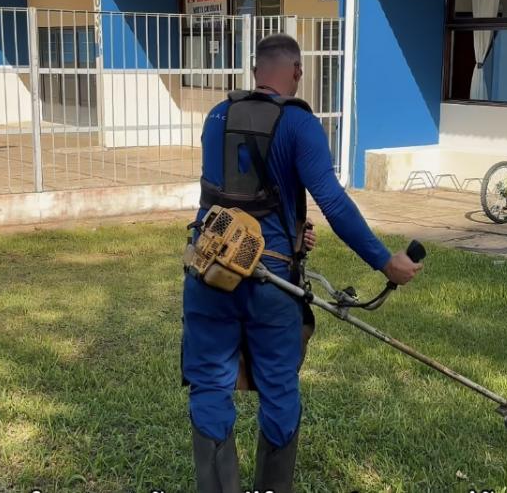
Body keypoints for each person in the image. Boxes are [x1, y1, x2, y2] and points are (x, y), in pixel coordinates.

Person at [181, 34, 422, 492]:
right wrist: (383, 262)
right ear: (296, 71)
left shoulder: (217, 115)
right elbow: (331, 199)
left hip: (209, 269)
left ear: (255, 72)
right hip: (268, 283)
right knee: (278, 389)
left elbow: (230, 196)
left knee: (210, 388)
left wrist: (293, 229)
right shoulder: (298, 123)